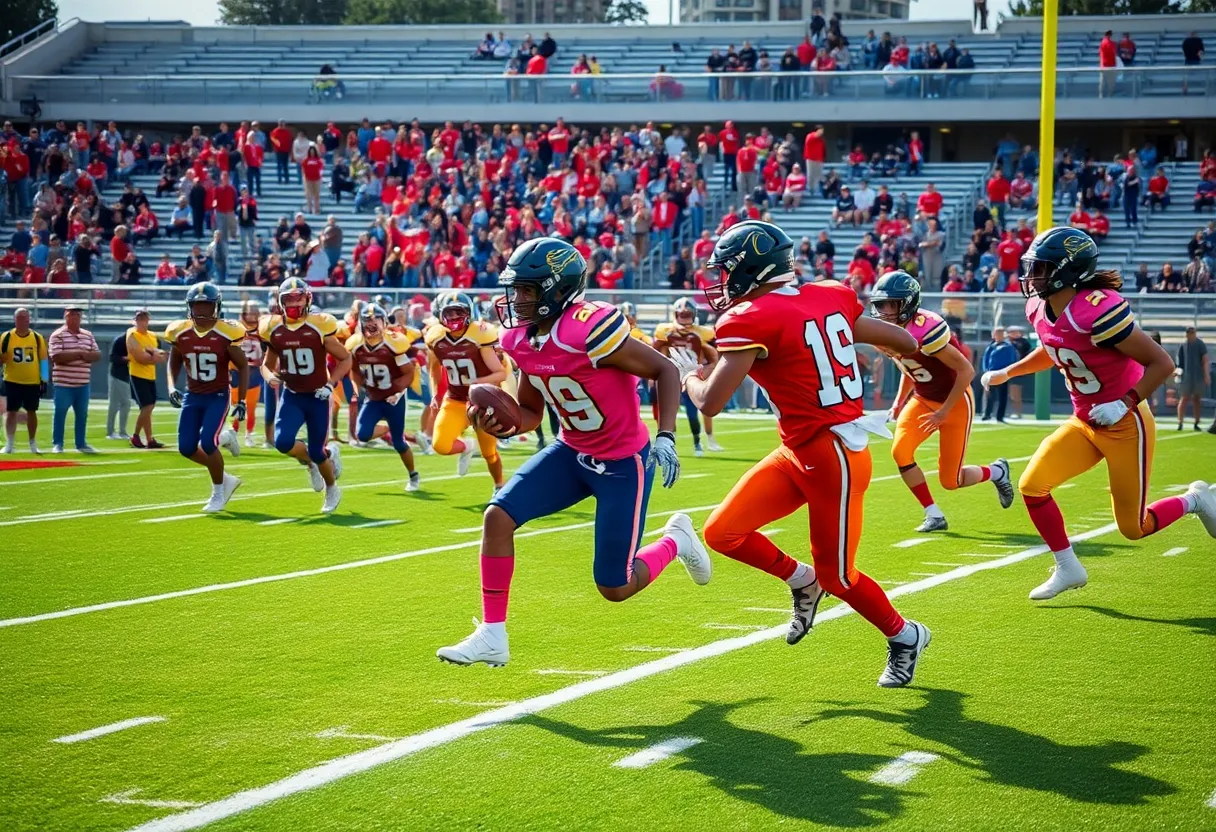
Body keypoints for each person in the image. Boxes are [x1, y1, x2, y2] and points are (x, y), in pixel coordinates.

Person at [682, 220, 931, 688]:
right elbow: (906, 342)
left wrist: (688, 377)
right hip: (801, 448)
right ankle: (801, 581)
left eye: (729, 270)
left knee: (839, 577)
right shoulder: (829, 294)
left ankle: (906, 635)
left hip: (833, 456)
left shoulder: (748, 317)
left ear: (753, 269)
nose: (722, 280)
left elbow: (709, 401)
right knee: (722, 532)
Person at [437, 238, 706, 667]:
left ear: (554, 289)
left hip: (621, 462)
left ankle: (676, 540)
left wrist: (667, 435)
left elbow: (665, 368)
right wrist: (498, 425)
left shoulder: (590, 327)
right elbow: (529, 411)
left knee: (614, 586)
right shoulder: (521, 340)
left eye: (526, 290)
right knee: (497, 516)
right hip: (571, 450)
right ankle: (492, 633)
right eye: (516, 290)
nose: (517, 300)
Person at [982, 227, 1216, 600]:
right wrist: (1010, 372)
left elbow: (1160, 362)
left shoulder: (1097, 309)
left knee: (1134, 528)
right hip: (1084, 421)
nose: (1032, 276)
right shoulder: (1039, 308)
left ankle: (1196, 500)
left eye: (1041, 267)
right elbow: (1055, 348)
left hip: (1125, 423)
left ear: (1067, 271)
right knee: (1031, 485)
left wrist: (1124, 402)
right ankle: (1068, 566)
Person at [870, 271, 1014, 532]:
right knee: (900, 452)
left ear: (907, 304)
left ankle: (997, 472)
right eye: (880, 305)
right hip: (924, 398)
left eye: (890, 304)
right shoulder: (884, 333)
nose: (884, 311)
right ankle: (933, 514)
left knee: (951, 480)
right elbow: (909, 367)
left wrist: (944, 412)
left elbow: (967, 371)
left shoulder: (926, 329)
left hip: (955, 401)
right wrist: (899, 401)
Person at [260, 277, 351, 514]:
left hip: (318, 396)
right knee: (282, 442)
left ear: (307, 298)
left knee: (317, 450)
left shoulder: (319, 326)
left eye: (297, 297)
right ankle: (312, 462)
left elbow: (346, 358)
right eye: (288, 298)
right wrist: (269, 375)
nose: (293, 303)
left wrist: (331, 384)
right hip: (292, 394)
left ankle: (332, 488)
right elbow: (266, 364)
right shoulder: (274, 328)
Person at [164, 282, 247, 513]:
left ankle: (218, 492)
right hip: (193, 395)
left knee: (208, 443)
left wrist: (240, 401)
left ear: (216, 307)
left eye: (206, 307)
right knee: (186, 448)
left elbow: (243, 366)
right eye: (197, 306)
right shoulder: (180, 332)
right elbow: (174, 363)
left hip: (218, 395)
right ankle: (226, 475)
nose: (201, 312)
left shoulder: (225, 333)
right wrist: (171, 387)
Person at [424, 291, 507, 491]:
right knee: (440, 445)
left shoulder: (479, 335)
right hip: (455, 399)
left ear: (469, 313)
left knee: (489, 453)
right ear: (440, 315)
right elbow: (434, 367)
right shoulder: (436, 337)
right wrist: (436, 393)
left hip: (482, 402)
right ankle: (467, 446)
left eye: (458, 312)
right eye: (449, 313)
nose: (453, 317)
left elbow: (500, 373)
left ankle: (499, 486)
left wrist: (476, 383)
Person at [347, 304, 422, 492]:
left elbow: (408, 373)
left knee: (398, 442)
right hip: (373, 397)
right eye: (367, 320)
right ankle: (388, 427)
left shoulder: (393, 343)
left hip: (393, 397)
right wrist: (358, 390)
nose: (371, 324)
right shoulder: (356, 345)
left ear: (384, 322)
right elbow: (354, 371)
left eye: (375, 320)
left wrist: (398, 392)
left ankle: (413, 475)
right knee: (362, 435)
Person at [653, 297, 720, 455]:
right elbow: (656, 352)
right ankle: (668, 442)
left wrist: (705, 372)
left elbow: (714, 357)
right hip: (672, 377)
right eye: (682, 314)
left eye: (688, 313)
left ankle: (698, 442)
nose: (684, 316)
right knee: (667, 412)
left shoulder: (704, 333)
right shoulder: (665, 331)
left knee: (693, 412)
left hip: (692, 375)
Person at [48, 306, 100, 454]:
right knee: (60, 413)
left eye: (77, 314)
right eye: (71, 314)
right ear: (65, 316)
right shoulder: (57, 335)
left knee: (82, 415)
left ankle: (81, 443)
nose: (75, 317)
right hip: (63, 383)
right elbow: (57, 357)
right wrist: (81, 353)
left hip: (83, 383)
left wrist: (73, 355)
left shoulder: (87, 335)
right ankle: (58, 443)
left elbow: (96, 355)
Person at [1, 307, 47, 454]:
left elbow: (43, 360)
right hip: (12, 380)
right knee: (11, 411)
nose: (23, 320)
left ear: (29, 319)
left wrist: (44, 380)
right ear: (15, 320)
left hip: (32, 382)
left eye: (25, 317)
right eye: (20, 317)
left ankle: (32, 443)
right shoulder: (6, 337)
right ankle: (10, 443)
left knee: (32, 412)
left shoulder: (37, 338)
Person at [125, 309, 168, 448]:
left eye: (144, 319)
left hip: (150, 375)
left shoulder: (152, 335)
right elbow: (140, 358)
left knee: (147, 408)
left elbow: (159, 354)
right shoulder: (132, 334)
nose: (142, 322)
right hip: (138, 374)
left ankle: (149, 439)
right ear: (135, 320)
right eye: (139, 319)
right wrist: (155, 357)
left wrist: (155, 356)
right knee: (148, 406)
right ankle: (135, 436)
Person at [231, 300, 264, 446]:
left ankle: (248, 435)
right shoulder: (236, 328)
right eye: (250, 310)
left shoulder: (262, 330)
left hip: (254, 371)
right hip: (237, 371)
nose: (252, 313)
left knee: (251, 407)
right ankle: (233, 433)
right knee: (236, 406)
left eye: (254, 310)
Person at [1175, 326, 1209, 431]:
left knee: (1196, 399)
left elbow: (1204, 360)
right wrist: (1177, 373)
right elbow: (1179, 363)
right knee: (1184, 398)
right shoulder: (1183, 345)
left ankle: (1196, 422)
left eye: (1192, 332)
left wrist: (1206, 375)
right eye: (1188, 333)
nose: (1190, 334)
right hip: (1186, 376)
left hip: (1198, 376)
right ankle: (1180, 422)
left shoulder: (1200, 344)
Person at [980, 326, 1017, 422]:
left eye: (1000, 333)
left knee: (1002, 396)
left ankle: (1000, 416)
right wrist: (986, 372)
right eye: (996, 333)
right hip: (991, 374)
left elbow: (1012, 360)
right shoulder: (991, 347)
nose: (998, 335)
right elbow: (985, 360)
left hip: (1003, 374)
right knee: (989, 395)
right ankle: (987, 414)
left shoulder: (1008, 347)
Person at [105, 328, 132, 440]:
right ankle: (112, 432)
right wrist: (128, 359)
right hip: (117, 375)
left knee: (123, 403)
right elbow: (113, 357)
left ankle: (119, 431)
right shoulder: (120, 340)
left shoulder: (136, 340)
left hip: (126, 376)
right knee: (117, 404)